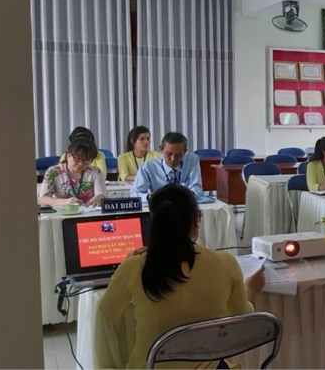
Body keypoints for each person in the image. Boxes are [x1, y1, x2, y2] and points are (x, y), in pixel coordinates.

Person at [99, 183, 266, 369]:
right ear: (197, 218)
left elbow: (106, 313)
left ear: (153, 218)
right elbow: (242, 320)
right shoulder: (225, 263)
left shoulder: (135, 266)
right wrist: (250, 290)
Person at [129, 132, 203, 199]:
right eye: (169, 154)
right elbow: (134, 194)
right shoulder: (148, 167)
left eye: (178, 155)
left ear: (185, 152)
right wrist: (150, 196)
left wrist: (189, 194)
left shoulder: (192, 160)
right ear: (161, 149)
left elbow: (197, 188)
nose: (173, 159)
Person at [38, 138, 106, 207]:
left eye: (86, 160)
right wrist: (66, 202)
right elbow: (42, 200)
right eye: (77, 158)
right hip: (63, 211)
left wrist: (99, 197)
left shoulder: (95, 171)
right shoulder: (54, 172)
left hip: (89, 211)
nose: (80, 163)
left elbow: (101, 194)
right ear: (68, 155)